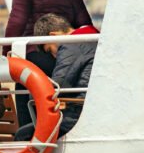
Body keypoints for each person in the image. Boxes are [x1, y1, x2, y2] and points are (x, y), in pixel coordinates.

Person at [4, 0, 93, 126]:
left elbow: (17, 21)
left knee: (24, 87)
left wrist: (7, 54)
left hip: (35, 53)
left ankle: (28, 133)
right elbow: (84, 23)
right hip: (65, 56)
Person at [14, 13, 99, 141]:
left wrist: (33, 93)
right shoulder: (93, 36)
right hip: (92, 107)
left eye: (50, 50)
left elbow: (59, 86)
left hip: (77, 114)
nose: (54, 56)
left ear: (53, 36)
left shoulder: (72, 45)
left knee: (23, 134)